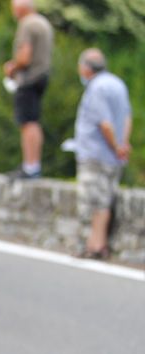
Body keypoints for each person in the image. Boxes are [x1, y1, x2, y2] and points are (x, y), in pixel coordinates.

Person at [73, 48, 132, 260]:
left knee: (90, 202)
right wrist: (123, 144)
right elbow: (126, 117)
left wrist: (115, 145)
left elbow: (104, 124)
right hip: (113, 157)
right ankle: (99, 245)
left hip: (96, 154)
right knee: (105, 201)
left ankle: (91, 245)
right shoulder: (118, 84)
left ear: (86, 68)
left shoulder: (96, 88)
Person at [4, 0, 53, 179]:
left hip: (29, 78)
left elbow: (24, 57)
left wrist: (12, 67)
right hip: (42, 76)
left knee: (27, 122)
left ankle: (30, 166)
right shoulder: (43, 22)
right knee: (34, 120)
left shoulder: (27, 24)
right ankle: (34, 165)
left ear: (20, 8)